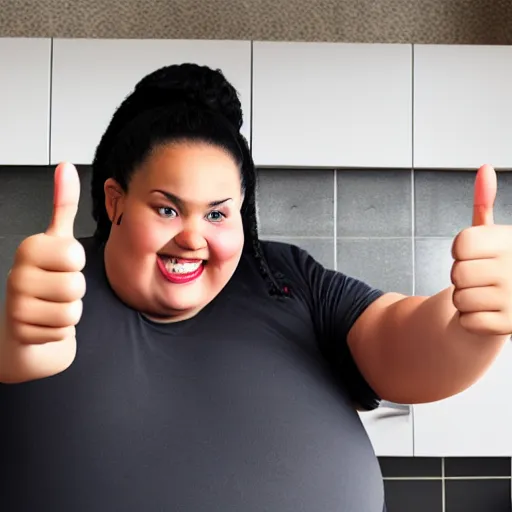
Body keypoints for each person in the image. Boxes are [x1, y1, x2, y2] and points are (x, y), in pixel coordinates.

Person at [0, 63, 511, 512]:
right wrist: (10, 346)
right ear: (115, 202)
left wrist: (470, 317)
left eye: (218, 213)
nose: (192, 237)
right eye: (167, 209)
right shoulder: (51, 285)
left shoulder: (284, 277)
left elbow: (399, 342)